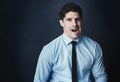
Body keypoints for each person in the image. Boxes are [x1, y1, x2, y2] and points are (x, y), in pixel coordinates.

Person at [34, 2, 107, 82]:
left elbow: (100, 76)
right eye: (69, 20)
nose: (74, 24)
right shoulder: (49, 49)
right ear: (62, 23)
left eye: (77, 19)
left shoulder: (94, 47)